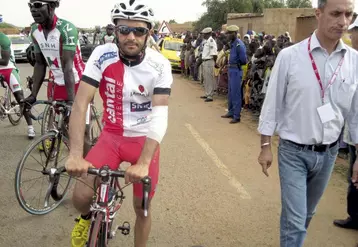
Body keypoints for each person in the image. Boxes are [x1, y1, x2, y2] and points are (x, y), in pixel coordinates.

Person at [65, 1, 173, 246]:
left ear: (149, 32)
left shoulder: (160, 65)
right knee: (81, 197)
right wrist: (74, 155)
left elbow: (160, 113)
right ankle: (85, 220)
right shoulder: (103, 54)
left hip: (143, 140)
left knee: (142, 208)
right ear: (115, 31)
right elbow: (81, 103)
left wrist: (144, 162)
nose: (131, 37)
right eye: (124, 30)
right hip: (111, 136)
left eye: (139, 31)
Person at [257, 0, 358, 246]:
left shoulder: (354, 61)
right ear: (318, 13)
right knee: (295, 220)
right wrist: (265, 145)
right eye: (336, 14)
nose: (343, 22)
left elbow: (355, 113)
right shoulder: (290, 56)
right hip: (294, 152)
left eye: (349, 15)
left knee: (307, 214)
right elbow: (272, 103)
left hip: (329, 154)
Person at [26, 0, 88, 148]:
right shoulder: (34, 30)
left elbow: (67, 67)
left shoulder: (66, 28)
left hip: (77, 81)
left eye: (37, 5)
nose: (33, 10)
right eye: (30, 5)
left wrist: (72, 102)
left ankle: (87, 165)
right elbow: (40, 63)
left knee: (79, 131)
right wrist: (33, 94)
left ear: (52, 6)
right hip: (57, 81)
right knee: (58, 121)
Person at [333, 17, 358, 231]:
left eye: (354, 32)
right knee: (353, 176)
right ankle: (355, 217)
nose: (351, 36)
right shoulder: (350, 60)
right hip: (352, 133)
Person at [0, 32, 34, 138]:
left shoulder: (3, 39)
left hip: (8, 70)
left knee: (20, 98)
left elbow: (5, 61)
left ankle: (30, 127)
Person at [221, 25, 247, 123]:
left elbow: (244, 60)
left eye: (229, 33)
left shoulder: (239, 45)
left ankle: (237, 116)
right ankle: (231, 112)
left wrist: (237, 64)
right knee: (231, 93)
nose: (227, 35)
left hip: (236, 70)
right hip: (231, 69)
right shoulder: (232, 44)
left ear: (235, 33)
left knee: (236, 94)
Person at [200, 27, 217, 102]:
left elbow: (214, 54)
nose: (203, 35)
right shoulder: (206, 41)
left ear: (208, 34)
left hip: (209, 61)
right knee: (206, 78)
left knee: (209, 79)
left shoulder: (211, 41)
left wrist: (215, 62)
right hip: (205, 61)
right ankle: (207, 93)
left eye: (204, 34)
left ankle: (210, 95)